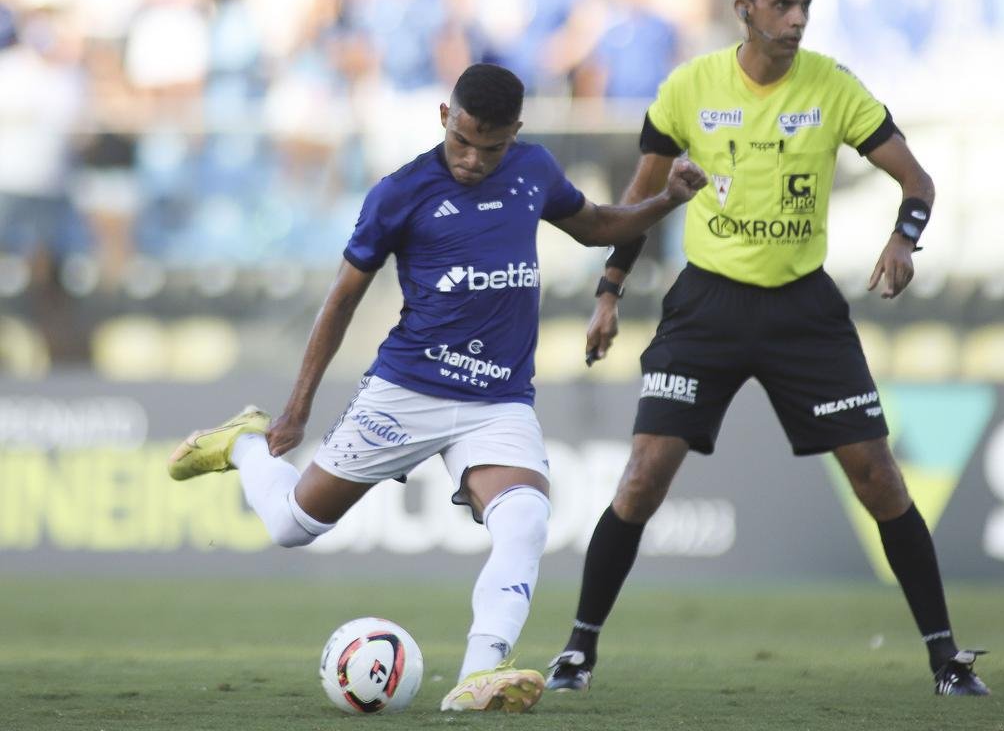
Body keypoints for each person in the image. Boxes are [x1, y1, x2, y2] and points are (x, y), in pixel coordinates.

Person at [167, 63, 707, 713]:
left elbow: (597, 227)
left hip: (498, 400)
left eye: (492, 147)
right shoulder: (400, 193)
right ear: (445, 117)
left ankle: (477, 678)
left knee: (525, 518)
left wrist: (667, 199)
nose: (474, 159)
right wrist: (295, 410)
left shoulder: (533, 170)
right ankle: (243, 446)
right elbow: (340, 300)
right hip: (407, 391)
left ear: (516, 133)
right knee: (290, 524)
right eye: (463, 141)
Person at [545, 0, 989, 697]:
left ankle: (946, 660)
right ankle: (577, 652)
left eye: (804, 6)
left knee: (879, 478)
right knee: (642, 478)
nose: (796, 19)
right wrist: (609, 292)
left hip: (800, 310)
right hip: (706, 308)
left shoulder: (833, 85)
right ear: (743, 9)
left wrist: (902, 240)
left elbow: (917, 180)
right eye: (782, 5)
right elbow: (637, 204)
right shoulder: (688, 87)